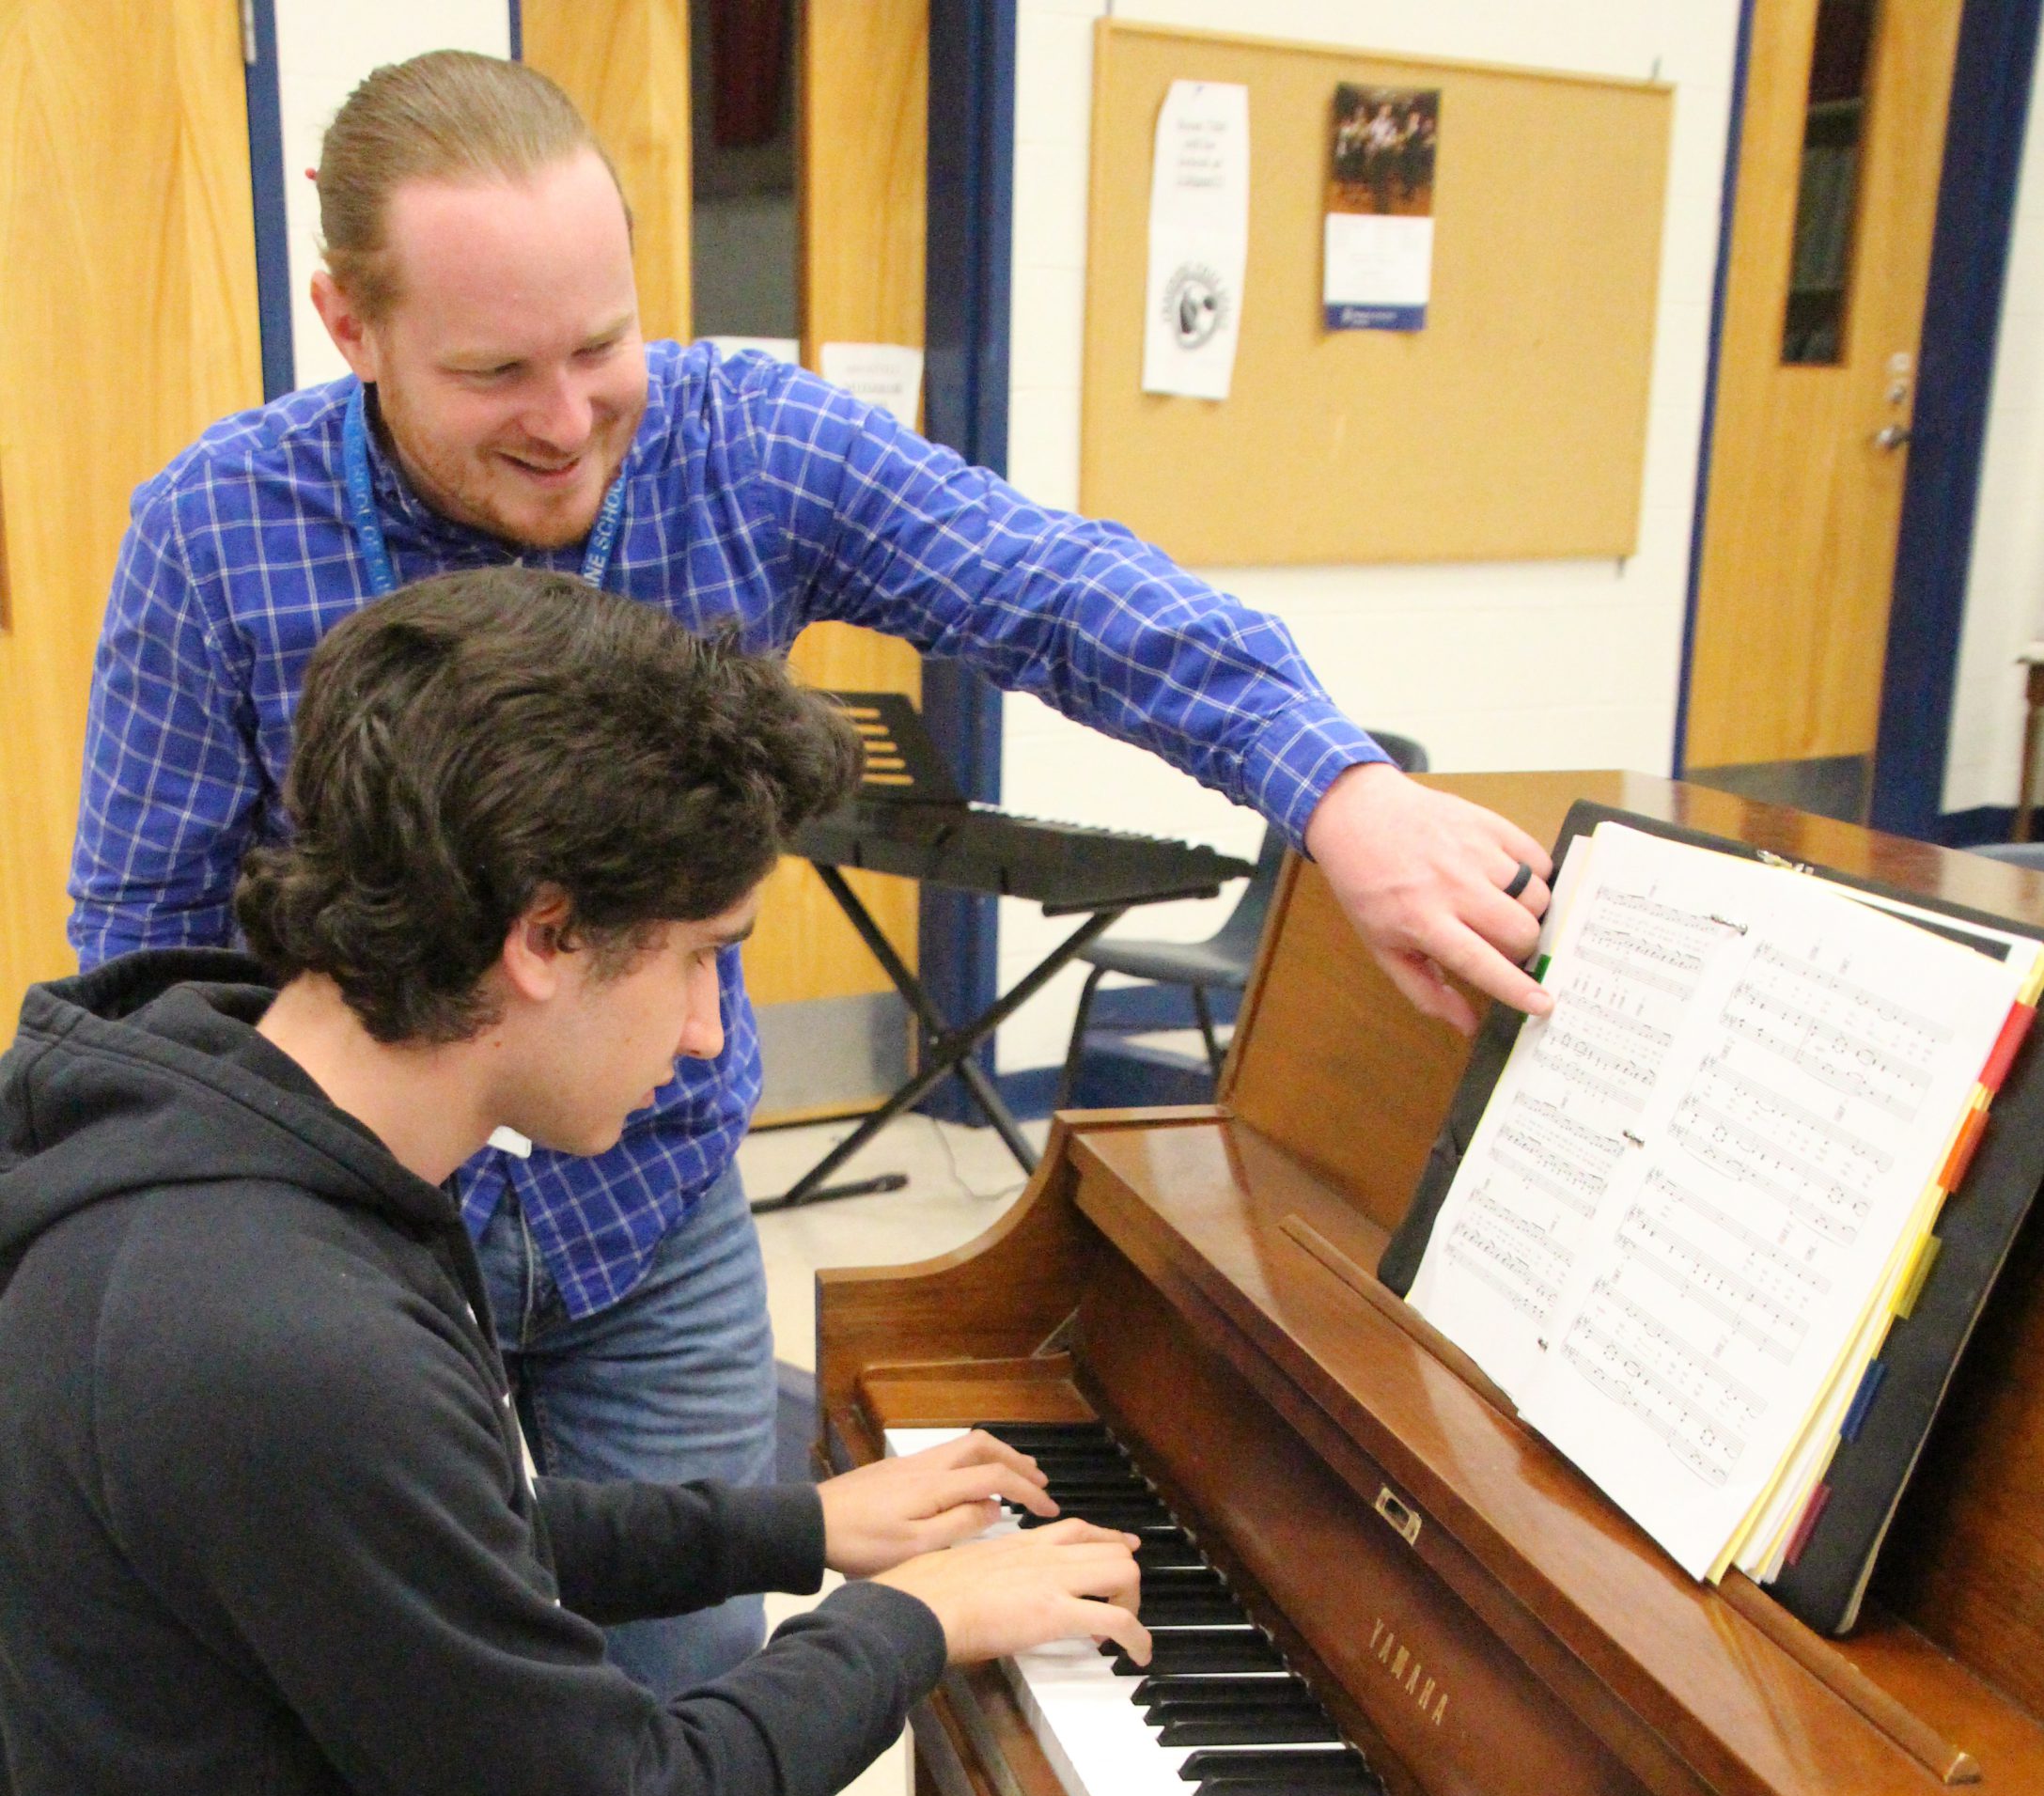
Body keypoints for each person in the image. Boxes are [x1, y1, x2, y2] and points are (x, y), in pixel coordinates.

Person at [70, 49, 1553, 1700]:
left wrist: (1335, 788)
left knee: (681, 1673)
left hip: (648, 1202)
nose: (567, 424)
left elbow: (1052, 590)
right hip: (359, 1226)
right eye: (494, 371)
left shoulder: (742, 446)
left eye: (600, 347)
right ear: (350, 326)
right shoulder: (214, 534)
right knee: (381, 1688)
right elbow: (141, 947)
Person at [0, 566, 1215, 1796]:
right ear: (544, 938)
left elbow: (422, 1557)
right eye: (706, 949)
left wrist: (792, 1524)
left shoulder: (244, 1120)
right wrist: (904, 1620)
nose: (719, 1035)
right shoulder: (266, 1323)